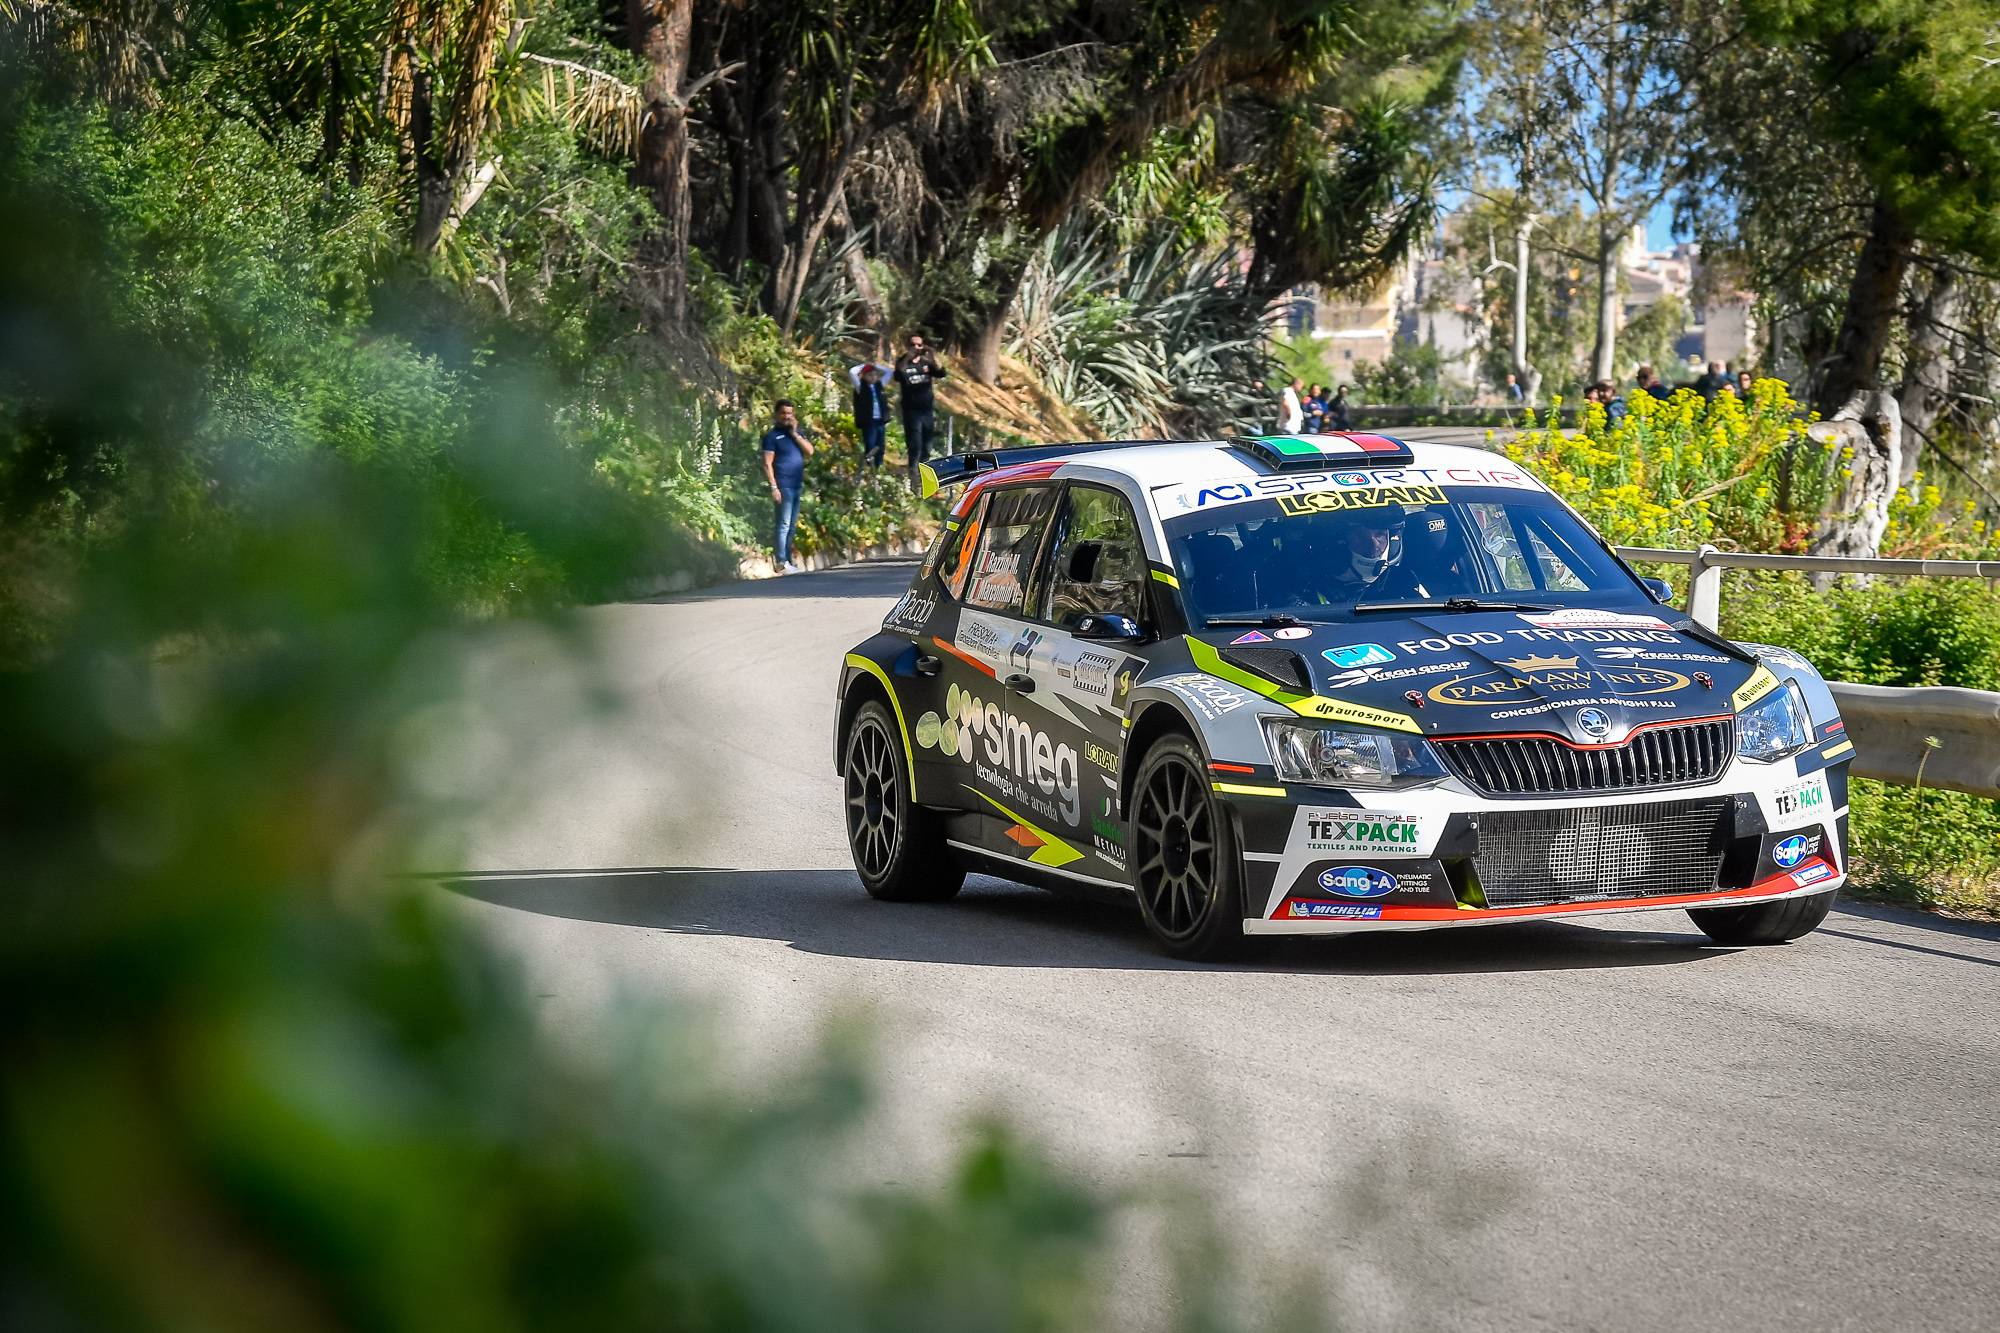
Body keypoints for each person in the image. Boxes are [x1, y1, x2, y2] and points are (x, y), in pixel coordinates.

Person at [760, 400, 814, 573]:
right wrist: (773, 487)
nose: (787, 416)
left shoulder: (796, 433)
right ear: (776, 415)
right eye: (783, 413)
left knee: (791, 526)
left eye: (790, 413)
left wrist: (795, 433)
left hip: (796, 485)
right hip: (783, 486)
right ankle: (781, 561)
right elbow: (767, 464)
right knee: (783, 524)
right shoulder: (772, 437)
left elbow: (810, 451)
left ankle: (788, 561)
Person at [892, 333, 946, 484]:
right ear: (907, 346)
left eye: (919, 345)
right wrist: (908, 357)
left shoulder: (927, 363)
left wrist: (933, 355)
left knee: (927, 445)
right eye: (913, 345)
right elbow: (897, 375)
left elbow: (941, 373)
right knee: (915, 443)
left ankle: (924, 475)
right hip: (911, 410)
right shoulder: (903, 362)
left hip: (927, 410)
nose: (916, 348)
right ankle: (912, 473)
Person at [849, 358, 892, 466]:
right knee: (870, 445)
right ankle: (868, 466)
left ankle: (878, 467)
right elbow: (851, 372)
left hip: (880, 420)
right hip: (869, 421)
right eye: (869, 375)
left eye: (874, 375)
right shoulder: (860, 387)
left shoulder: (879, 385)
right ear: (863, 376)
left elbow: (889, 372)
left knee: (880, 445)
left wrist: (876, 365)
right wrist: (864, 365)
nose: (873, 377)